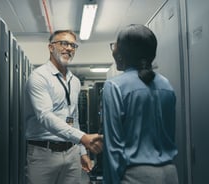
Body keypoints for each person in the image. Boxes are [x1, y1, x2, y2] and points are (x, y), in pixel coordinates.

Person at [101, 24, 179, 184]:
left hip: (134, 176)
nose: (113, 50)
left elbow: (113, 149)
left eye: (115, 45)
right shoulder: (166, 85)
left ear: (123, 54)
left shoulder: (114, 86)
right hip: (170, 174)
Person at [24, 29, 103, 184]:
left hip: (72, 152)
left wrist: (82, 153)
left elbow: (74, 119)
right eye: (64, 43)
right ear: (51, 47)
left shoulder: (75, 81)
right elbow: (45, 116)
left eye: (73, 45)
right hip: (43, 154)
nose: (69, 48)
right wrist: (82, 138)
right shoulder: (39, 77)